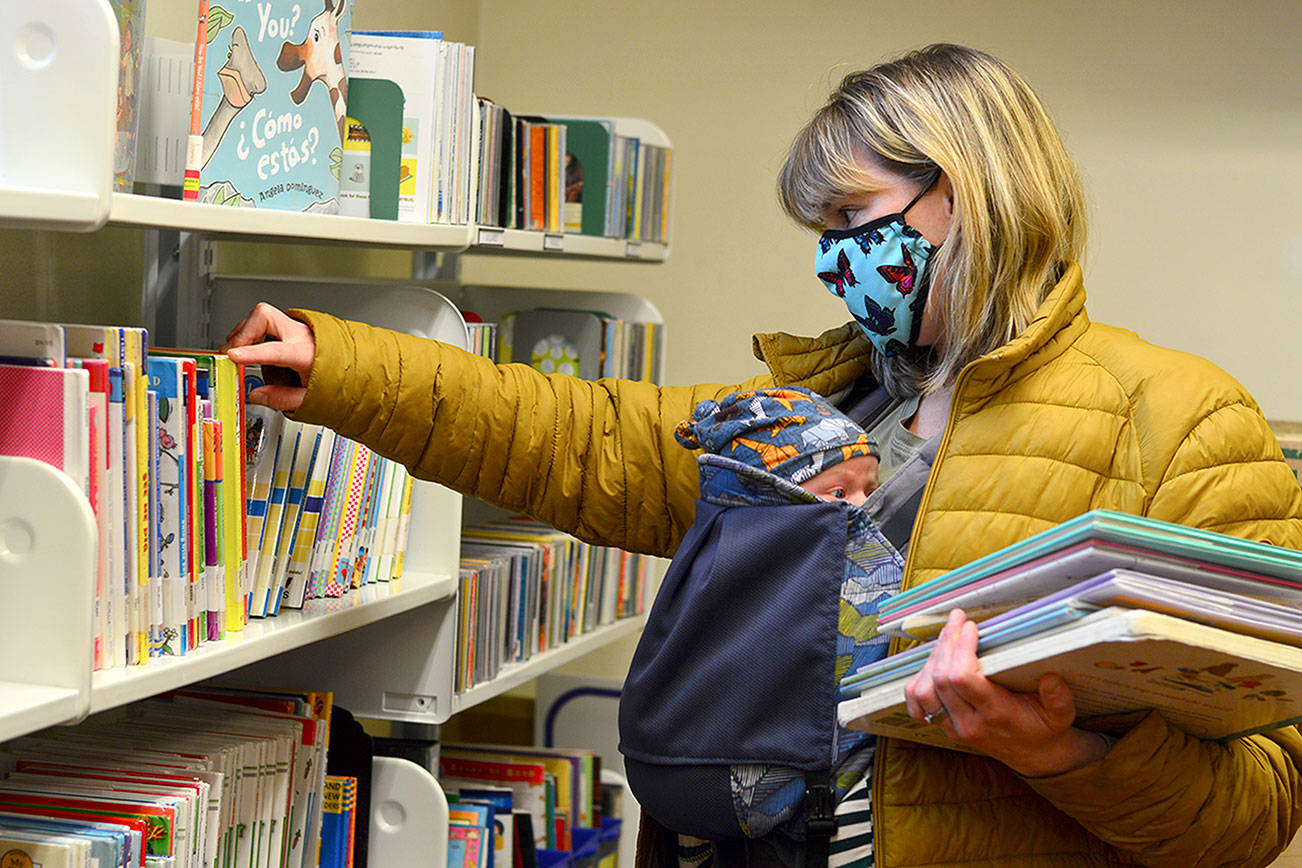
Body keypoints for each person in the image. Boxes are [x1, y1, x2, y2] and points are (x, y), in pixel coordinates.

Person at [223, 43, 1302, 867]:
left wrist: (1055, 751)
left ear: (970, 192)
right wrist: (346, 366)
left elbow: (1258, 805)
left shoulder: (1185, 422)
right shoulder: (814, 402)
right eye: (820, 231)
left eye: (855, 216)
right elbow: (579, 434)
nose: (836, 262)